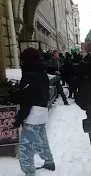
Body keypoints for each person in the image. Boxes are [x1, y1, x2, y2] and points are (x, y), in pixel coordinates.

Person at [14, 48, 55, 176]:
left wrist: (19, 118)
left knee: (26, 147)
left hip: (33, 113)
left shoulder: (29, 74)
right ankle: (49, 161)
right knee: (41, 139)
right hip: (42, 110)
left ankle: (29, 173)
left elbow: (27, 99)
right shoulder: (42, 72)